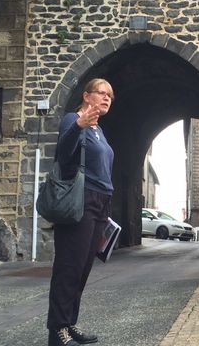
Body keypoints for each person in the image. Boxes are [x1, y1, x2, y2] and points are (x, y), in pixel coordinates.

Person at [47, 78, 115, 346]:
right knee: (69, 266)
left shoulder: (100, 129)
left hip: (101, 202)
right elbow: (63, 155)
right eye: (101, 92)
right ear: (87, 96)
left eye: (110, 95)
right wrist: (77, 126)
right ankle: (57, 330)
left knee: (84, 267)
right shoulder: (72, 120)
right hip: (81, 199)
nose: (106, 98)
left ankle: (69, 323)